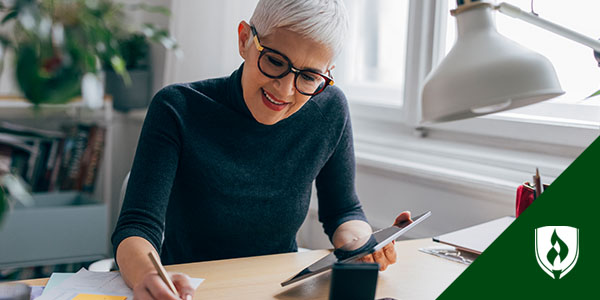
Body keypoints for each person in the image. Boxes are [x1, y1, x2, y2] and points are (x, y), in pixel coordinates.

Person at [111, 0, 411, 299]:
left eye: (308, 77)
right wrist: (149, 276)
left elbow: (343, 211)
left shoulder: (328, 109)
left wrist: (361, 246)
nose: (285, 90)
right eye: (275, 62)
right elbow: (136, 227)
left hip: (277, 289)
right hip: (191, 289)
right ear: (245, 40)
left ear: (326, 73)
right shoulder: (177, 107)